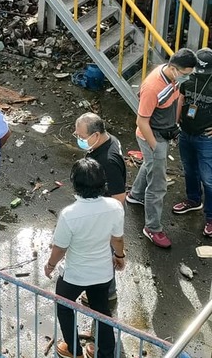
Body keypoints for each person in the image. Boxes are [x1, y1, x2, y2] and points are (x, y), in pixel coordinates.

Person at [44, 158, 125, 358]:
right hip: (103, 272)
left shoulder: (69, 214)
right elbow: (117, 239)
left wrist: (50, 265)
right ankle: (105, 353)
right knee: (101, 311)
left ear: (75, 184)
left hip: (75, 274)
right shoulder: (115, 206)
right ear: (102, 182)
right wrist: (120, 256)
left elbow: (60, 247)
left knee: (64, 308)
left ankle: (74, 350)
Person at [126, 48, 196, 248]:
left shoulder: (171, 78)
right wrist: (156, 147)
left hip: (162, 132)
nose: (186, 77)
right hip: (151, 137)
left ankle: (136, 195)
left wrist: (173, 127)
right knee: (158, 185)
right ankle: (152, 228)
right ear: (174, 69)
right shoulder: (152, 87)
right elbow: (141, 121)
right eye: (185, 74)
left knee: (150, 166)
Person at [74, 112, 126, 304]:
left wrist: (104, 223)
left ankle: (107, 293)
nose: (79, 139)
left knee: (104, 256)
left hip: (105, 217)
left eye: (81, 137)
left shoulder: (108, 161)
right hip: (100, 210)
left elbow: (119, 198)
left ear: (95, 135)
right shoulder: (109, 141)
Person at [174, 48, 212, 237]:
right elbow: (180, 100)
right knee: (189, 170)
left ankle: (211, 218)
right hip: (185, 133)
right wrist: (176, 122)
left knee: (209, 179)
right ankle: (193, 200)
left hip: (206, 138)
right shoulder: (188, 81)